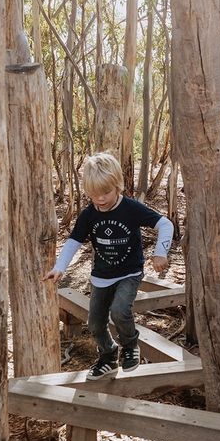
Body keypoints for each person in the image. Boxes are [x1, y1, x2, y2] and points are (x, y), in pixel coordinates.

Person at [43, 152, 174, 380]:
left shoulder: (131, 209)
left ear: (118, 186)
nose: (100, 199)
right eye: (94, 195)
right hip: (101, 276)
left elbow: (165, 224)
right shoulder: (89, 215)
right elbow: (73, 241)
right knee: (94, 324)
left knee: (120, 311)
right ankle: (108, 355)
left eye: (106, 192)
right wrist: (60, 267)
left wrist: (160, 253)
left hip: (129, 273)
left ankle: (131, 345)